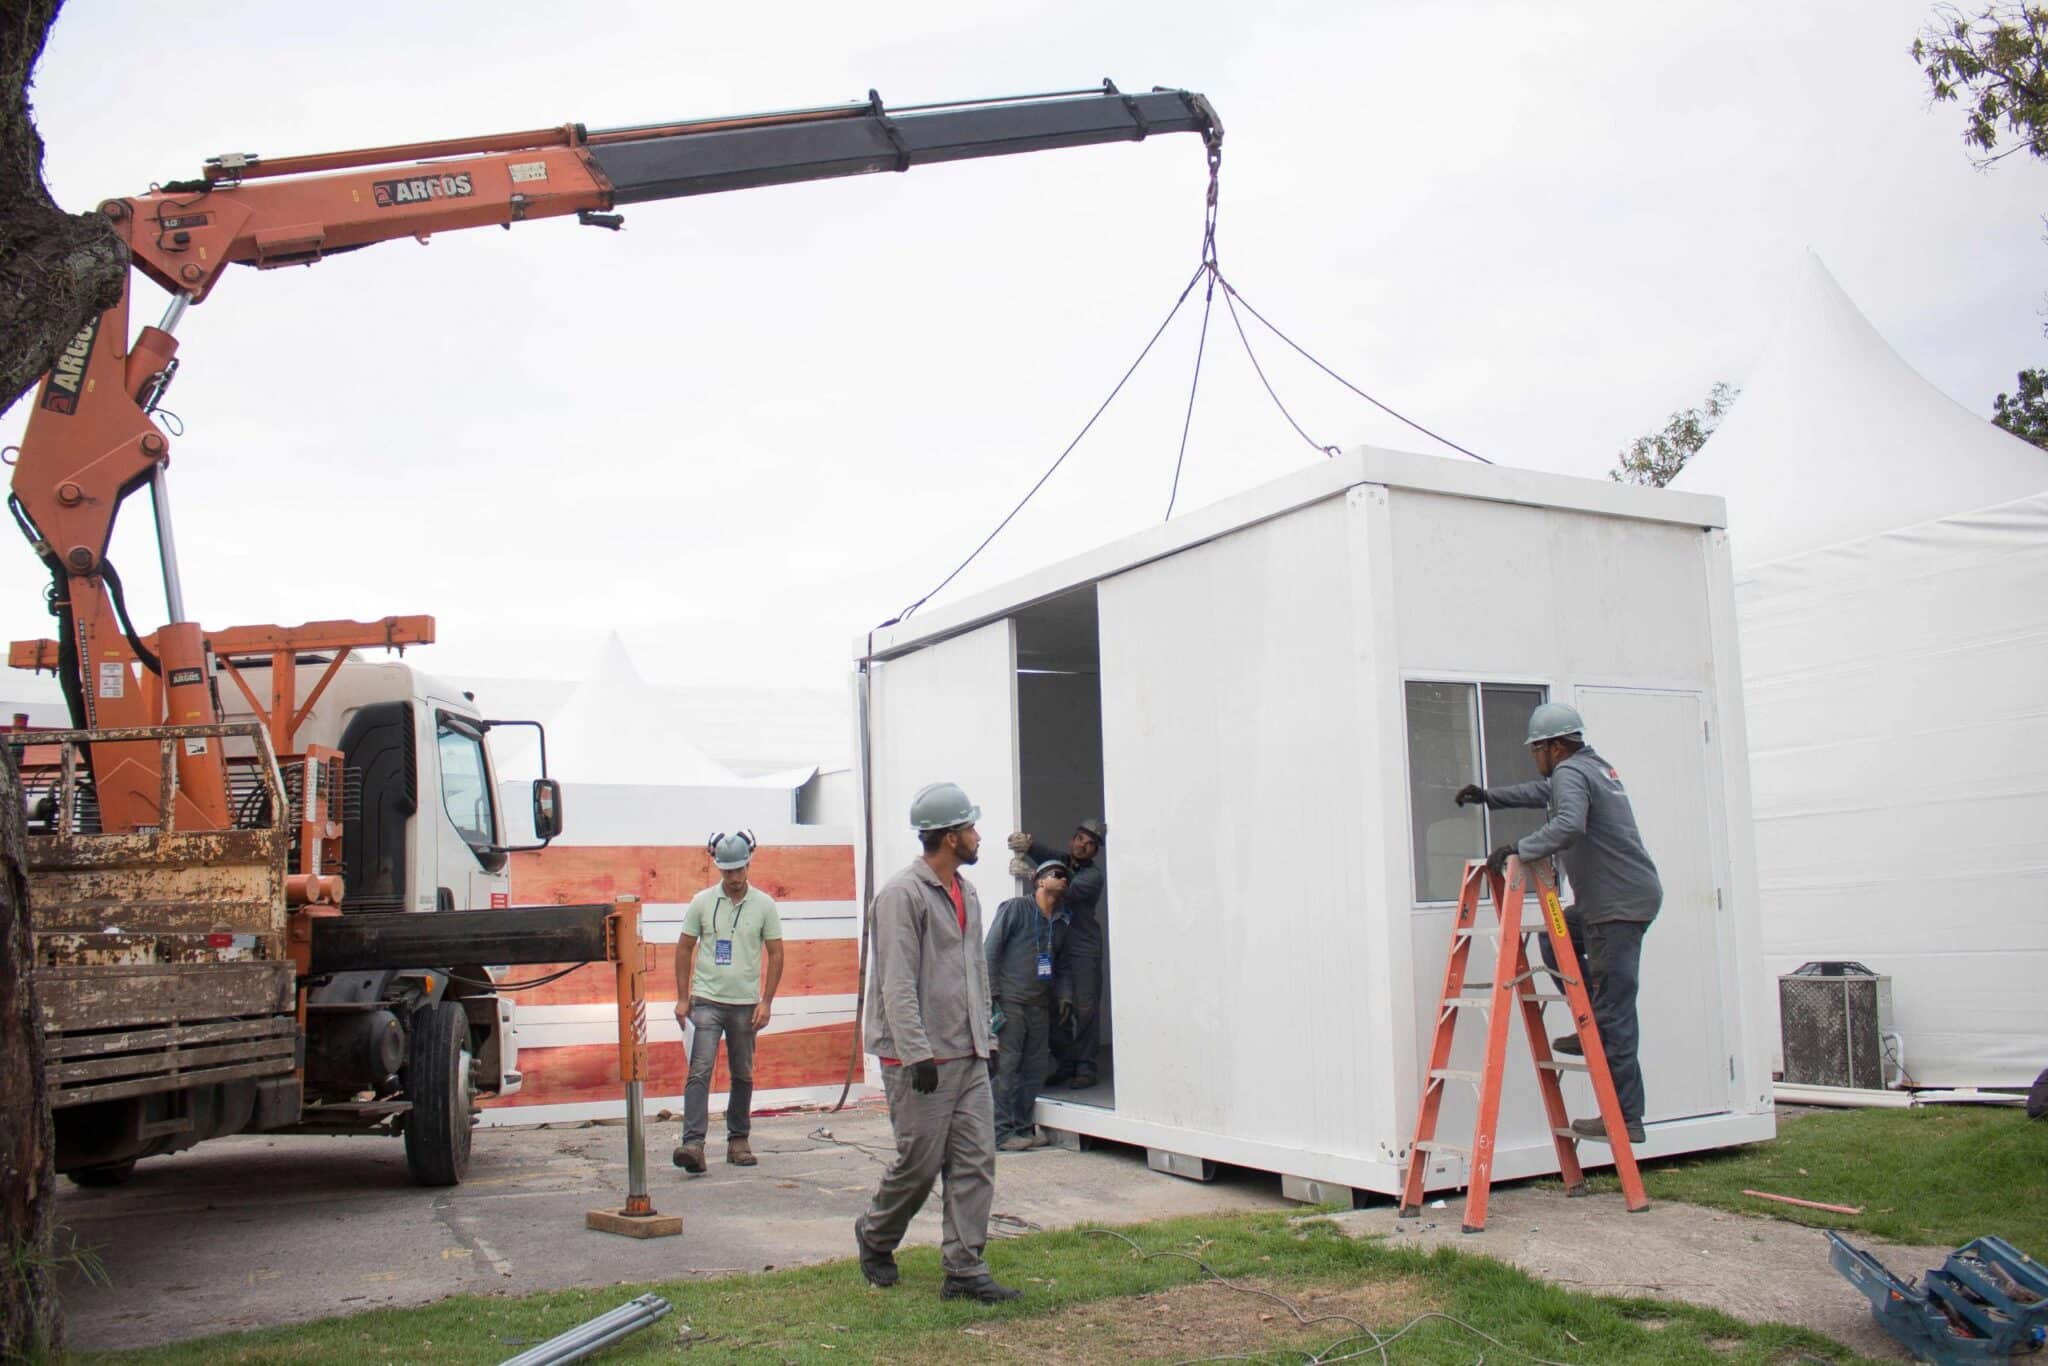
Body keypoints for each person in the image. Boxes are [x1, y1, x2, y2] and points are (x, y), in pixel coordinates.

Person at [1456, 702, 1662, 1145]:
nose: (1536, 758)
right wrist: (1491, 797)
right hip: (1623, 899)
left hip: (1615, 906)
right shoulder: (1593, 768)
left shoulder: (1571, 773)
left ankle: (1626, 1118)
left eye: (1536, 750)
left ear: (1554, 746)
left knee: (1617, 1013)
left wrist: (1520, 848)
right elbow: (1542, 794)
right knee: (1556, 940)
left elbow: (1568, 823)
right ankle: (1590, 1021)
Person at [853, 781, 1019, 1304]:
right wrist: (915, 1052)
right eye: (970, 827)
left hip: (967, 1054)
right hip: (919, 1058)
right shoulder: (901, 896)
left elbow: (974, 971)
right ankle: (875, 1235)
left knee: (975, 1161)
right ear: (949, 838)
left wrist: (985, 1039)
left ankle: (964, 1269)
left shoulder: (966, 892)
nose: (977, 836)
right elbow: (895, 982)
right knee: (919, 1165)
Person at [671, 830, 784, 1174]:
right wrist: (681, 997)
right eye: (727, 871)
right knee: (699, 1070)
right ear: (718, 868)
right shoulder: (702, 902)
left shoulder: (764, 904)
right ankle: (693, 1144)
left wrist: (766, 1001)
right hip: (706, 999)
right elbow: (684, 947)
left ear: (749, 864)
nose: (734, 878)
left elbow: (777, 953)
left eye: (739, 870)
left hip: (745, 1004)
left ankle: (738, 1140)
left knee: (743, 1073)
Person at [1008, 818, 1106, 1088]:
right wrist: (1028, 846)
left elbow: (1067, 888)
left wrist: (1032, 875)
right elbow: (1048, 857)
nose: (1083, 846)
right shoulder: (1064, 861)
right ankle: (1066, 1063)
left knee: (1084, 1009)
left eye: (1090, 844)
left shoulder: (1092, 877)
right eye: (1080, 839)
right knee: (1054, 1005)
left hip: (1084, 948)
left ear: (1096, 851)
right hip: (1057, 943)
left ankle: (1086, 1068)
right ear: (1072, 840)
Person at [984, 858, 1070, 1151]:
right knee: (1007, 1067)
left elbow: (1063, 964)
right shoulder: (1016, 909)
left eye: (1067, 877)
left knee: (1035, 1068)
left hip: (1038, 1004)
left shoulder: (1060, 921)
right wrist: (992, 997)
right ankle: (1001, 1133)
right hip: (1011, 1000)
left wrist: (1064, 996)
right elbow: (991, 951)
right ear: (1039, 880)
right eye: (1057, 874)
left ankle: (1022, 1127)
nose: (1063, 879)